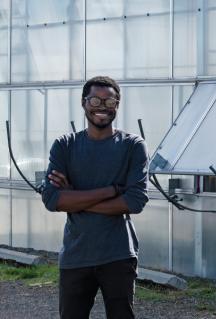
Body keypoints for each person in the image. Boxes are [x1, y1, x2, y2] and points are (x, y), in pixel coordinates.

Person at [41, 76, 149, 319]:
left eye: (109, 101)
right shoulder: (65, 145)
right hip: (76, 255)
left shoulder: (133, 146)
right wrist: (111, 190)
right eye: (95, 100)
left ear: (117, 105)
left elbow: (134, 202)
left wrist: (74, 198)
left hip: (119, 254)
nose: (102, 107)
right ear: (83, 103)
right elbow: (51, 199)